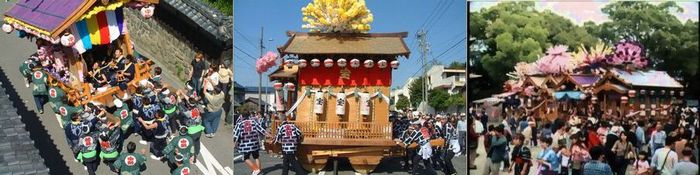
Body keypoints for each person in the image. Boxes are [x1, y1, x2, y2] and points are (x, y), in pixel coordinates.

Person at [180, 97, 204, 163]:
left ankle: (193, 158)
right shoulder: (197, 108)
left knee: (191, 145)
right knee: (197, 141)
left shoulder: (189, 113)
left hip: (192, 131)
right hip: (199, 128)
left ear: (188, 105)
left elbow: (182, 109)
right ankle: (197, 152)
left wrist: (180, 101)